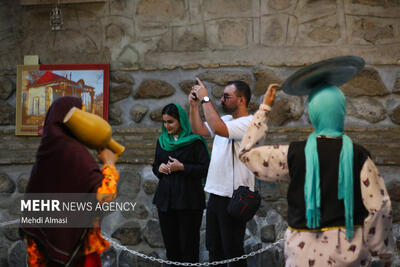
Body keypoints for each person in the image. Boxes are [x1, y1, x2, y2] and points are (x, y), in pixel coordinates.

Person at [239, 84, 394, 267]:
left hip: (302, 253)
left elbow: (246, 155)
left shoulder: (293, 153)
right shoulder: (359, 156)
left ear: (313, 116)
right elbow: (379, 208)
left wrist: (264, 109)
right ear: (341, 113)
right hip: (349, 251)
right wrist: (383, 252)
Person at [21, 96, 120, 267]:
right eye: (81, 114)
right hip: (77, 252)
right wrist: (109, 164)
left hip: (42, 248)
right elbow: (105, 197)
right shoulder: (73, 153)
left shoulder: (47, 149)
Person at [189, 78, 254, 267]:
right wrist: (194, 106)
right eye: (222, 96)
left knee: (232, 251)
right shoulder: (224, 119)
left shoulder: (250, 123)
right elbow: (199, 129)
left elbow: (218, 128)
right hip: (216, 194)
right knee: (214, 248)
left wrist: (206, 100)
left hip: (235, 197)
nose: (222, 100)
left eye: (227, 96)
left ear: (241, 100)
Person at [152, 103, 210, 264]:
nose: (167, 126)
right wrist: (160, 169)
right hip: (166, 202)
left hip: (189, 202)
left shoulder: (195, 142)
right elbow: (155, 166)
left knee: (188, 247)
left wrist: (183, 167)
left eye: (171, 122)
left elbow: (206, 168)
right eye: (164, 122)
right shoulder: (162, 141)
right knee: (172, 249)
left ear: (181, 121)